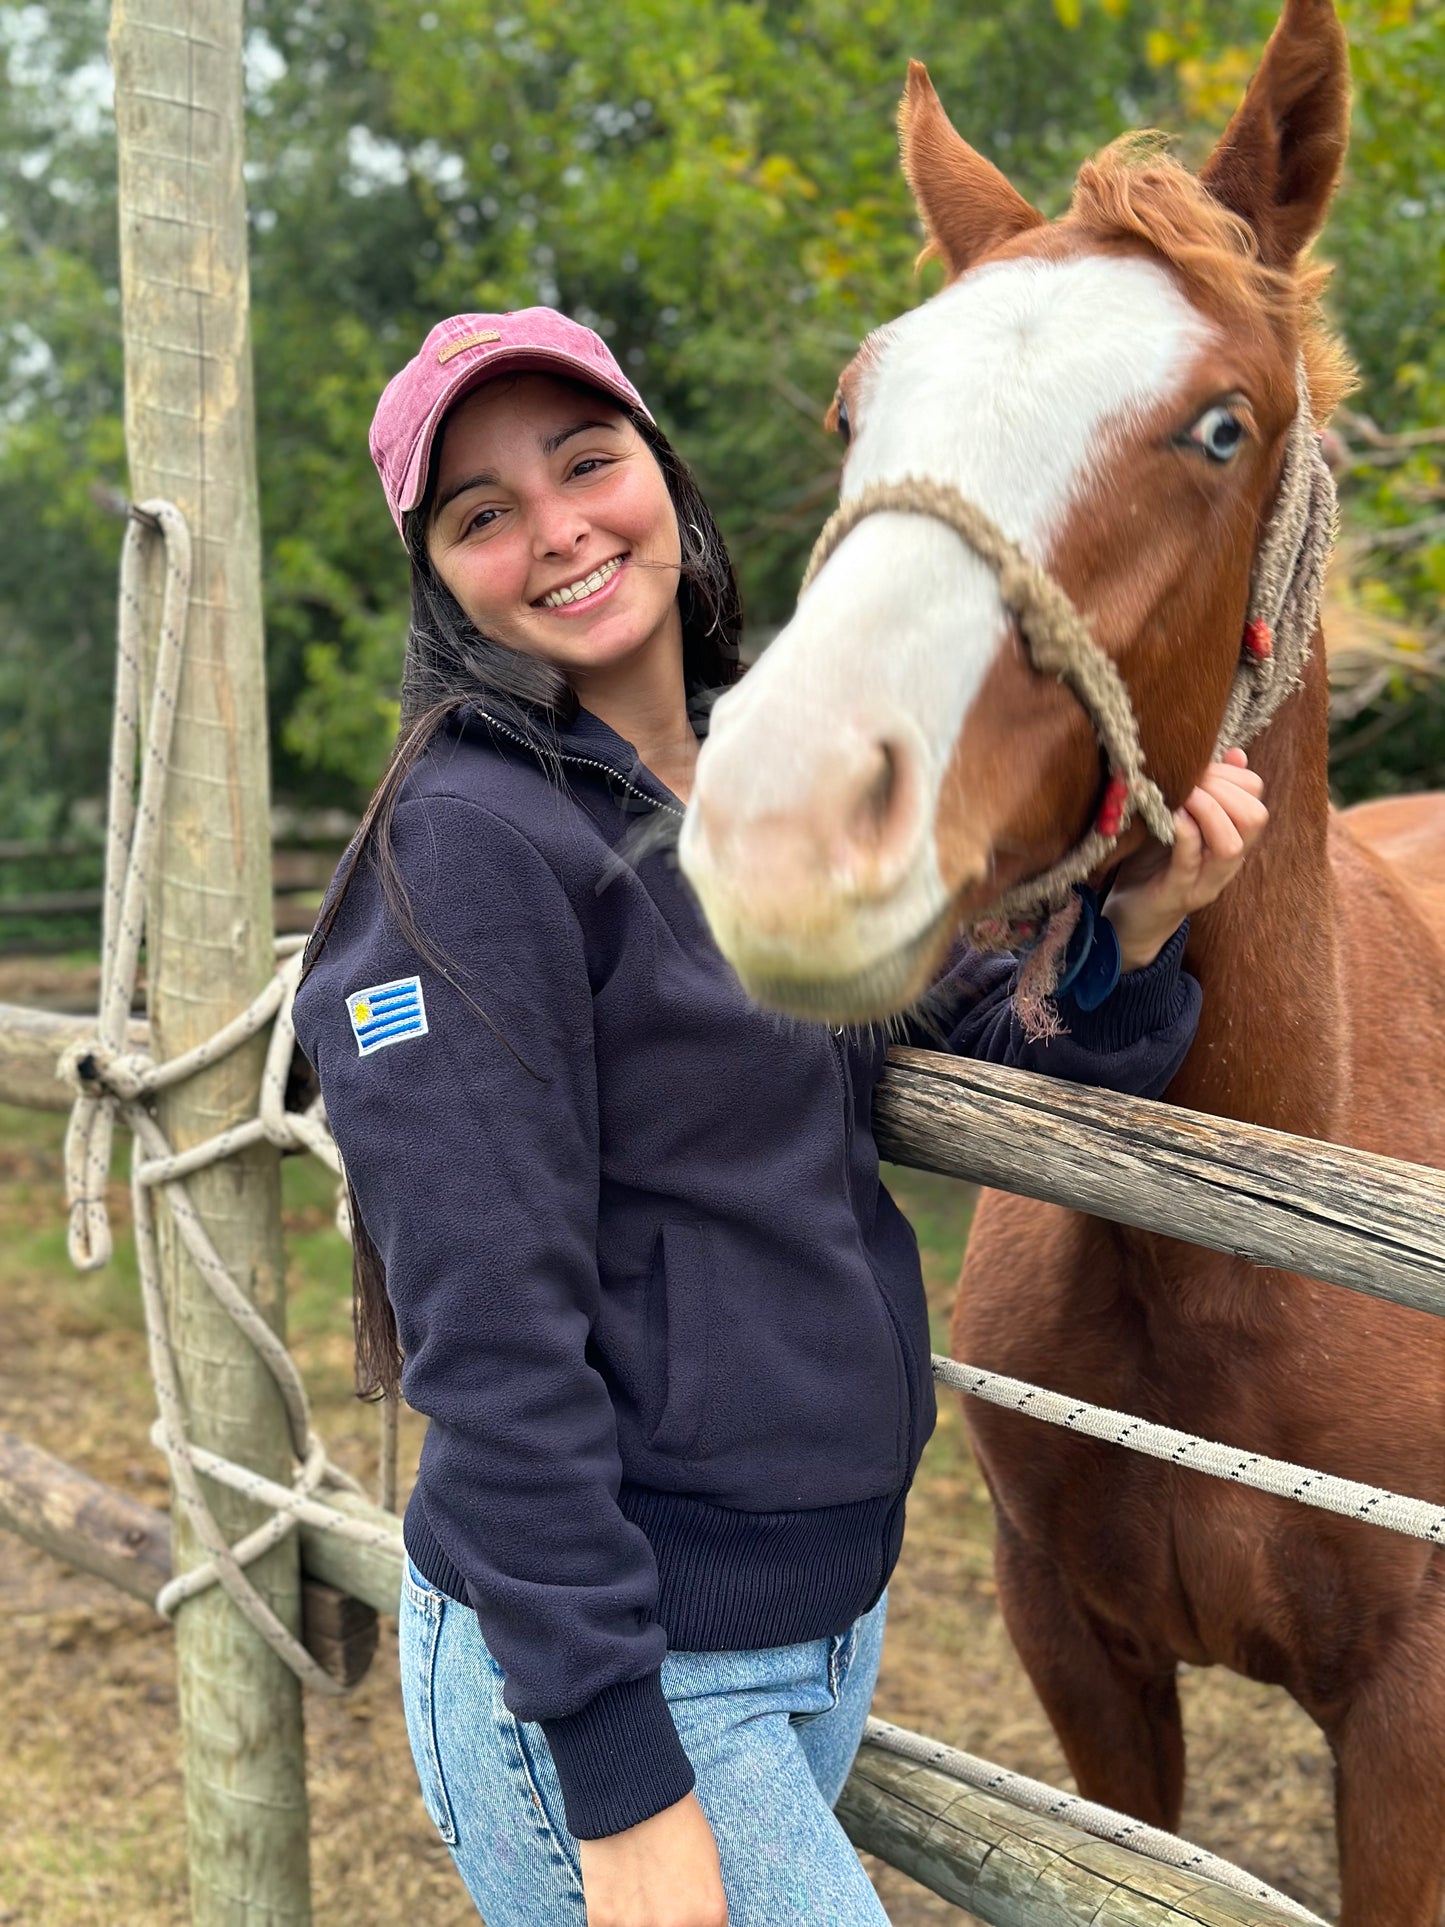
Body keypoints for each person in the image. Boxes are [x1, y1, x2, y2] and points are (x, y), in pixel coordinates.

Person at [291, 308, 1268, 1927]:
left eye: (585, 463)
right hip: (632, 1672)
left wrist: (1138, 932)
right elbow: (489, 1340)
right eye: (481, 514)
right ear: (439, 578)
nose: (556, 530)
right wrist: (616, 1781)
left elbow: (961, 1048)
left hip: (816, 1619)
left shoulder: (755, 786)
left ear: (659, 478)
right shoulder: (464, 849)